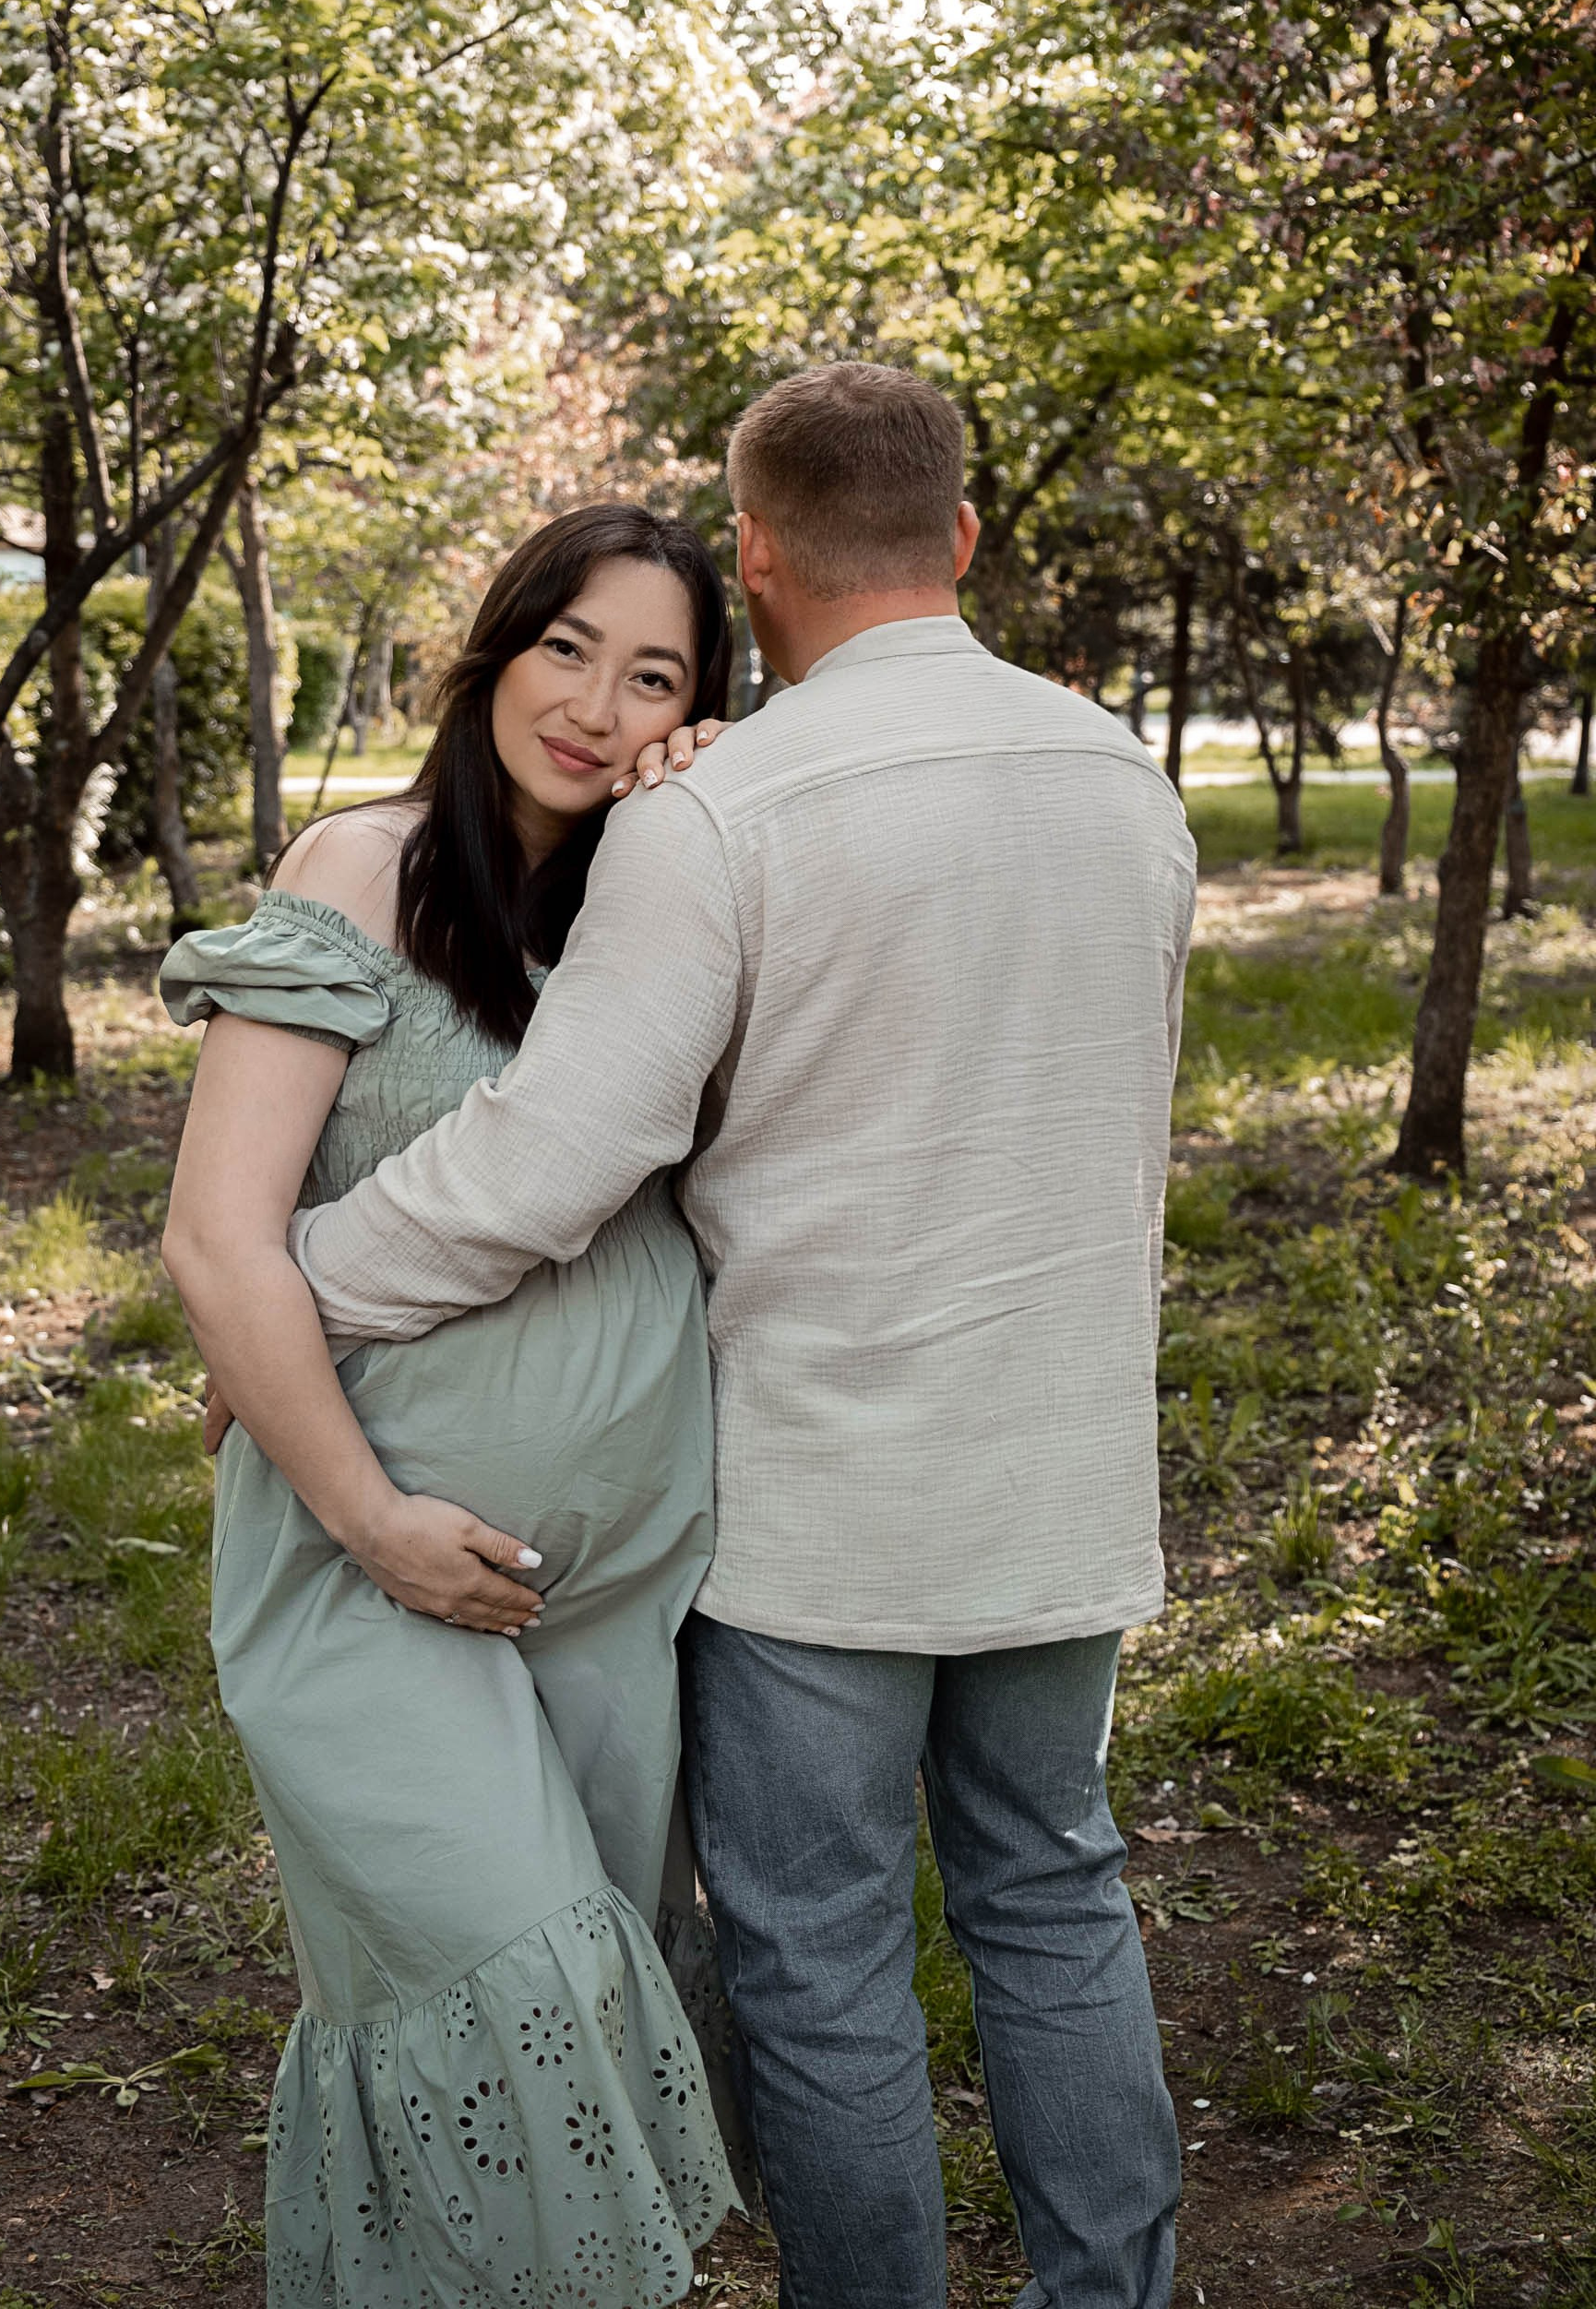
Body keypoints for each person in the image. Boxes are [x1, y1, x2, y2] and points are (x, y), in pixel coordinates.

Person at [283, 363, 1199, 2309]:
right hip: (1055, 1466)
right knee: (1054, 1894)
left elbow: (549, 1159)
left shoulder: (733, 813)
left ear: (755, 557)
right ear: (960, 537)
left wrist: (307, 1290)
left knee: (820, 1948)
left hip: (812, 1509)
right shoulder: (1126, 781)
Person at [159, 504, 743, 2309]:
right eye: (569, 645)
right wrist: (371, 1518)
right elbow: (214, 1238)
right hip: (367, 1558)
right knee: (512, 1986)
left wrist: (718, 807)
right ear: (496, 645)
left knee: (563, 1994)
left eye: (655, 673)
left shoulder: (668, 887)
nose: (596, 702)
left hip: (606, 1589)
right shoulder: (359, 867)